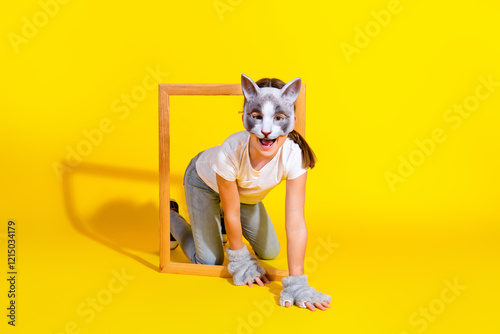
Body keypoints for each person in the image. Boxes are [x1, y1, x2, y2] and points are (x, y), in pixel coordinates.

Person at [169, 74, 331, 311]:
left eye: (278, 118)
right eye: (257, 117)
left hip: (244, 195)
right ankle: (169, 215)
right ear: (246, 117)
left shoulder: (294, 156)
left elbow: (295, 224)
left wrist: (297, 282)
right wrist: (240, 257)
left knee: (270, 251)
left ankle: (220, 225)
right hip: (203, 181)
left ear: (292, 120)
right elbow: (231, 211)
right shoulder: (230, 151)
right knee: (209, 261)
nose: (267, 130)